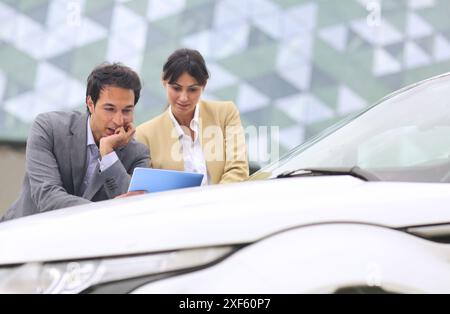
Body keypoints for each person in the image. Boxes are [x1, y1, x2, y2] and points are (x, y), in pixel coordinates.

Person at [1, 63, 150, 222]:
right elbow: (47, 196)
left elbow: (133, 209)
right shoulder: (49, 128)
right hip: (24, 234)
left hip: (90, 243)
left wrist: (108, 156)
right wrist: (104, 211)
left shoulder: (138, 154)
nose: (119, 120)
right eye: (110, 109)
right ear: (90, 103)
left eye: (127, 110)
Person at [135, 48, 248, 185]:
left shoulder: (225, 113)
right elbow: (146, 189)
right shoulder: (145, 134)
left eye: (192, 89)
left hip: (222, 203)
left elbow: (238, 169)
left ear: (203, 85)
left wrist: (215, 203)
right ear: (164, 82)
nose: (184, 98)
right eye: (176, 88)